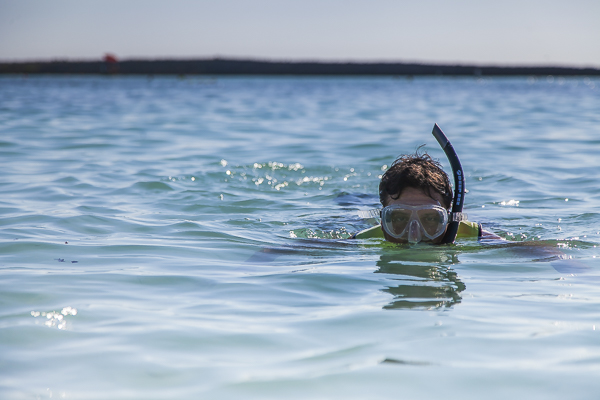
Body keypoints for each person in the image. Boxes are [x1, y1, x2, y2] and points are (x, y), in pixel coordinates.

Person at [351, 152, 499, 243]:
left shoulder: (474, 235)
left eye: (430, 218)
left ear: (448, 220)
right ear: (383, 222)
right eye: (400, 218)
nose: (414, 237)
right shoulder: (364, 239)